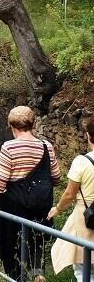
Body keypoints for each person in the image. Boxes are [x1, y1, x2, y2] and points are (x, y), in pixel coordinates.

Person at [0, 106, 61, 282]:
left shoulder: (9, 147)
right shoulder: (46, 146)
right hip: (40, 205)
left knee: (11, 242)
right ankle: (38, 273)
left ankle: (15, 276)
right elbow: (55, 177)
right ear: (33, 125)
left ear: (12, 126)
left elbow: (0, 181)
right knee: (37, 239)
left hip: (13, 204)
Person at [47, 115, 94, 281]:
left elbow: (69, 194)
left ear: (88, 135)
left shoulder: (82, 161)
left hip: (87, 217)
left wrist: (57, 209)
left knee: (83, 266)